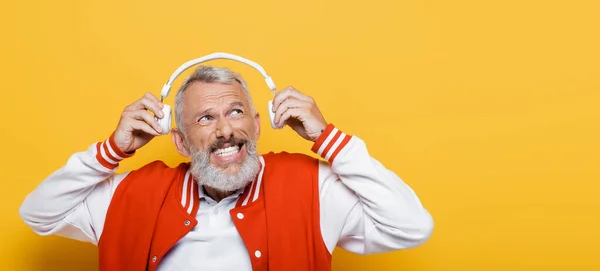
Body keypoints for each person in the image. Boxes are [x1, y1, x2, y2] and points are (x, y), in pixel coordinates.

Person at [20, 66, 433, 270]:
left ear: (257, 123)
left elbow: (411, 226)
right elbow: (38, 213)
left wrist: (327, 138)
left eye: (236, 112)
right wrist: (111, 150)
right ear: (179, 140)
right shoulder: (131, 194)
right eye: (205, 118)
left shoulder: (311, 188)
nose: (225, 130)